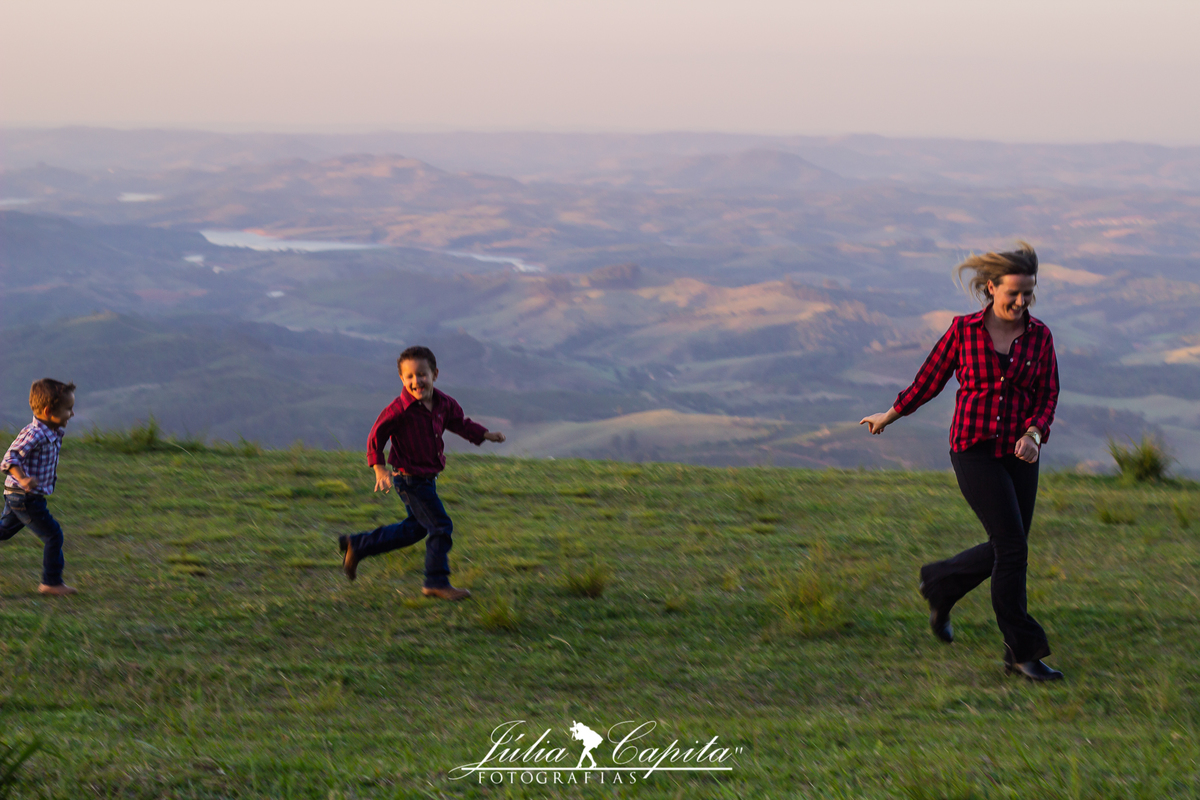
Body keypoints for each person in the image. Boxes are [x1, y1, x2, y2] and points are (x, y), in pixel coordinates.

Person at [860, 242, 1062, 682]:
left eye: (1029, 293)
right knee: (1012, 549)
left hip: (1020, 453)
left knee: (1009, 547)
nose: (1022, 302)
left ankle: (940, 583)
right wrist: (890, 415)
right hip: (973, 450)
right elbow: (928, 380)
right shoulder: (963, 330)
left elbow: (1048, 394)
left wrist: (1034, 434)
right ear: (990, 288)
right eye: (1013, 293)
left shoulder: (1040, 336)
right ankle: (1022, 653)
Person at [339, 346, 506, 600]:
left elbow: (460, 423)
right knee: (441, 526)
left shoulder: (443, 403)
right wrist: (379, 469)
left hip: (427, 478)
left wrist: (486, 434)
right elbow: (376, 436)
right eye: (410, 376)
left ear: (435, 374)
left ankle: (358, 544)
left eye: (422, 374)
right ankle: (435, 582)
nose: (416, 381)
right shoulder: (398, 410)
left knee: (415, 529)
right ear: (402, 379)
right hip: (409, 480)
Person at [2, 378, 80, 596]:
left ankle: (51, 582)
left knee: (4, 531)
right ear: (48, 411)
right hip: (25, 496)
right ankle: (51, 583)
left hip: (20, 495)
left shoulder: (50, 431)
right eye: (68, 409)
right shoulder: (34, 433)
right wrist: (23, 479)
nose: (72, 414)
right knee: (53, 535)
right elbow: (10, 459)